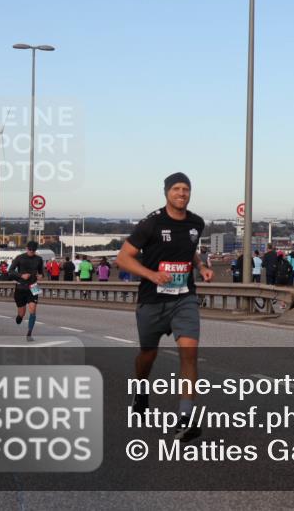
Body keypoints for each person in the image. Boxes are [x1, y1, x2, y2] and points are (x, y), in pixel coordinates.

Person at [116, 172, 213, 442]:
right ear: (166, 192)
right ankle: (141, 389)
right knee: (148, 354)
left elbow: (189, 249)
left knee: (189, 353)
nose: (181, 193)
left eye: (186, 189)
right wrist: (151, 274)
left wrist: (201, 266)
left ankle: (185, 417)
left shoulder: (196, 223)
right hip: (152, 300)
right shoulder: (151, 223)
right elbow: (123, 258)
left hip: (184, 298)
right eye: (176, 189)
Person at [9, 240, 47, 342]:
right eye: (30, 250)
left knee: (33, 310)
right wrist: (21, 275)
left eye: (33, 250)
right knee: (21, 314)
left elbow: (41, 272)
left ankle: (29, 333)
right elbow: (10, 271)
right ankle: (19, 316)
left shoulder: (39, 259)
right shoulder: (19, 258)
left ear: (35, 250)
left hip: (33, 286)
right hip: (21, 287)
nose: (31, 251)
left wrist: (41, 276)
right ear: (26, 249)